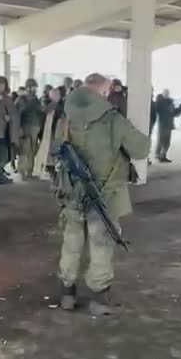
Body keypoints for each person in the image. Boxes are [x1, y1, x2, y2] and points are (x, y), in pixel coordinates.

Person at [57, 73, 150, 315]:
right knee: (100, 243)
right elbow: (141, 149)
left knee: (71, 242)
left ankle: (67, 294)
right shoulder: (112, 119)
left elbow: (57, 151)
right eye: (108, 91)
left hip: (71, 191)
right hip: (104, 193)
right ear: (103, 91)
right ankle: (98, 299)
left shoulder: (66, 117)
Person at [15, 78, 43, 180]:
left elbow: (40, 112)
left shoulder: (36, 100)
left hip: (35, 128)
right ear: (28, 88)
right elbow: (17, 115)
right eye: (33, 87)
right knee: (24, 149)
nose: (35, 90)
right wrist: (19, 128)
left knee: (33, 150)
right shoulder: (21, 100)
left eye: (35, 88)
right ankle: (22, 171)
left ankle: (30, 171)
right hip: (25, 127)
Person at [155, 89, 176, 162]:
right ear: (163, 94)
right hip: (162, 124)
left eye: (168, 93)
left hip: (169, 124)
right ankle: (157, 155)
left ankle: (163, 156)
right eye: (165, 93)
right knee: (160, 141)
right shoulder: (159, 101)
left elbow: (174, 112)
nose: (167, 94)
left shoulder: (170, 102)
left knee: (167, 142)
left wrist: (177, 111)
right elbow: (156, 110)